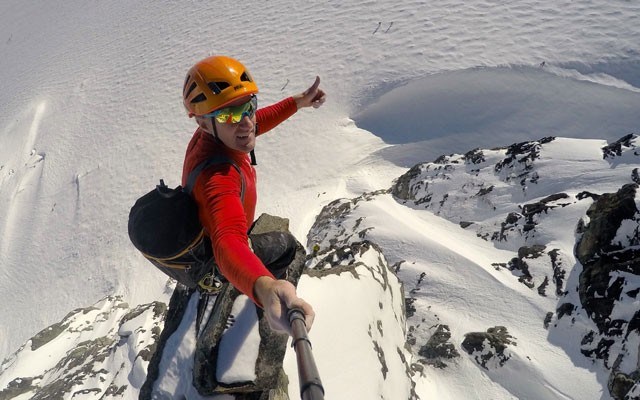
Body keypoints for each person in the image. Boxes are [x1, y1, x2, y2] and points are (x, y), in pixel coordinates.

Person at [181, 55, 325, 334]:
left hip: (205, 233)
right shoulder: (218, 177)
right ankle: (271, 305)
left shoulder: (216, 134)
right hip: (218, 256)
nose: (245, 122)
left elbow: (259, 122)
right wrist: (266, 287)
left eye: (249, 106)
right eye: (229, 114)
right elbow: (228, 241)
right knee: (287, 247)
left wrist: (298, 102)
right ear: (201, 122)